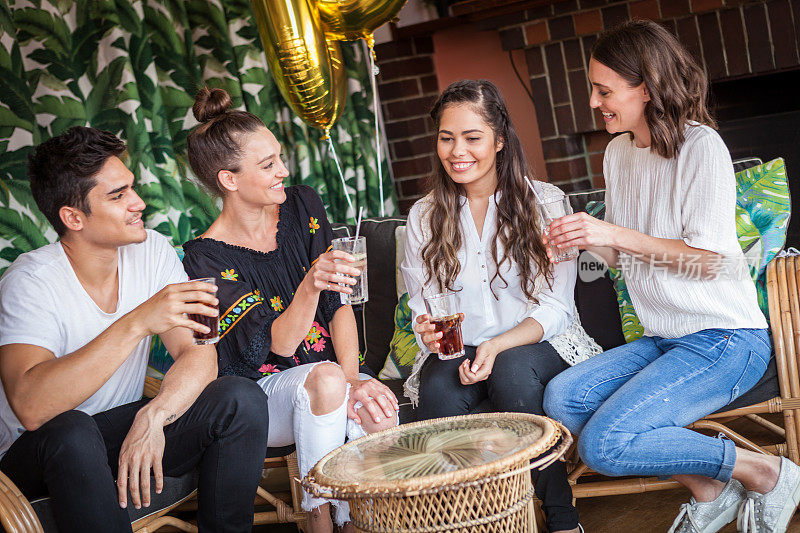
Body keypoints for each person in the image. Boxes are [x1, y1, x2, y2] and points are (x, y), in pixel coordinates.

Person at [542, 20, 800, 533]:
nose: (594, 103)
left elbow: (705, 260)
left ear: (647, 87)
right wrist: (584, 240)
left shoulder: (701, 148)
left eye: (604, 90)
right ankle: (708, 487)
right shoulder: (618, 154)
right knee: (563, 398)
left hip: (726, 339)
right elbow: (625, 261)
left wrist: (611, 230)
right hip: (666, 338)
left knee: (604, 444)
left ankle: (765, 470)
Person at [0, 126, 270, 533]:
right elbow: (32, 407)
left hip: (115, 430)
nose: (138, 203)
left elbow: (198, 352)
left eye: (131, 188)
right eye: (118, 195)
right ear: (73, 218)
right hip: (39, 452)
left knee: (239, 397)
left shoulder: (152, 251)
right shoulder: (31, 281)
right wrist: (138, 320)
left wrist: (155, 416)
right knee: (72, 430)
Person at [181, 87, 399, 532]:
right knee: (324, 378)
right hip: (262, 401)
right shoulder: (204, 258)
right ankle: (320, 520)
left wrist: (356, 377)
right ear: (229, 179)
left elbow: (338, 304)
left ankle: (359, 524)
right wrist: (309, 284)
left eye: (279, 158)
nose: (283, 170)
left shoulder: (302, 205)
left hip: (331, 377)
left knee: (380, 412)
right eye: (268, 165)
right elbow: (279, 344)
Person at [400, 79, 601, 533]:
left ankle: (562, 516)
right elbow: (422, 304)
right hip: (462, 350)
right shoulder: (423, 216)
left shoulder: (544, 203)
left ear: (500, 140)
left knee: (510, 370)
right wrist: (427, 332)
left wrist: (498, 345)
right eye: (446, 138)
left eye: (472, 138)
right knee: (437, 390)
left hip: (539, 341)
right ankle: (469, 520)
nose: (457, 151)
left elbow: (555, 307)